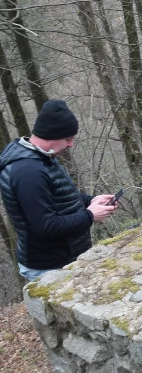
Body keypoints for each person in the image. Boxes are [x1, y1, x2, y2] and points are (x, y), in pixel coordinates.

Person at [0, 99, 117, 282]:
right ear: (53, 135)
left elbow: (55, 197)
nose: (70, 144)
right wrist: (90, 215)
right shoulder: (28, 172)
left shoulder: (40, 157)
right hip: (49, 266)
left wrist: (90, 201)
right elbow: (46, 226)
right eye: (68, 139)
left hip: (62, 259)